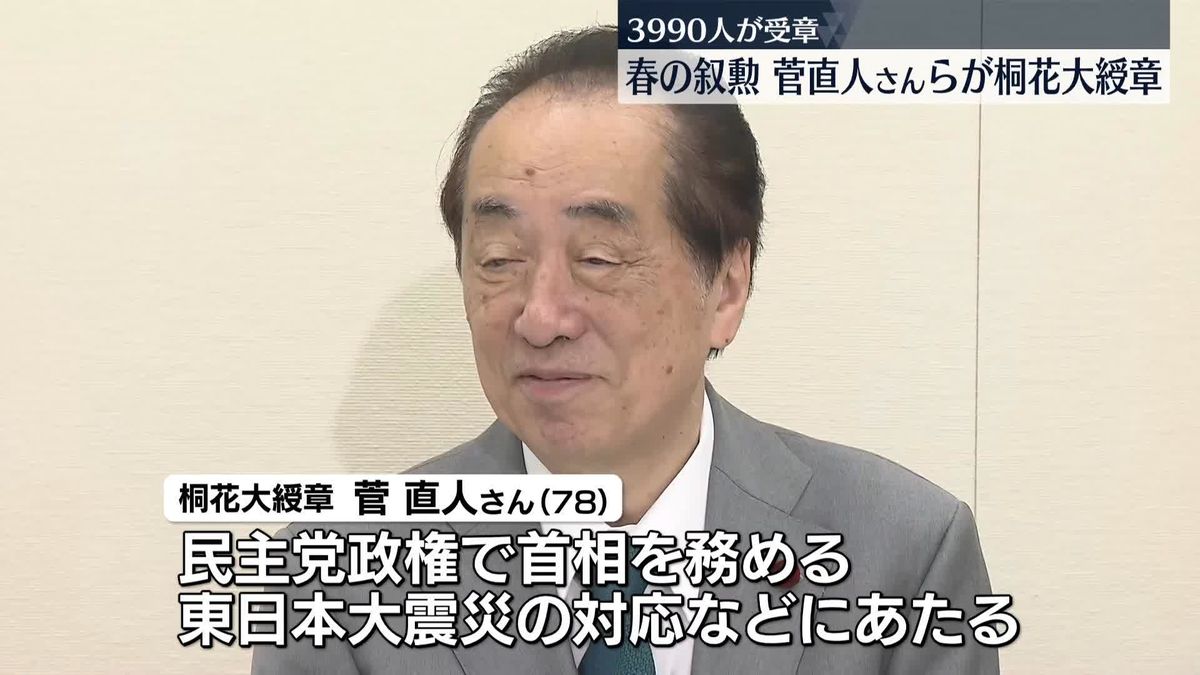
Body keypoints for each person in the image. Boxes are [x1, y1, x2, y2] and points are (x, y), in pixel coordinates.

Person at [253, 25, 998, 675]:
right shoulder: (335, 582)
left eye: (599, 259)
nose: (541, 317)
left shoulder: (905, 554)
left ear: (727, 287)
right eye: (500, 259)